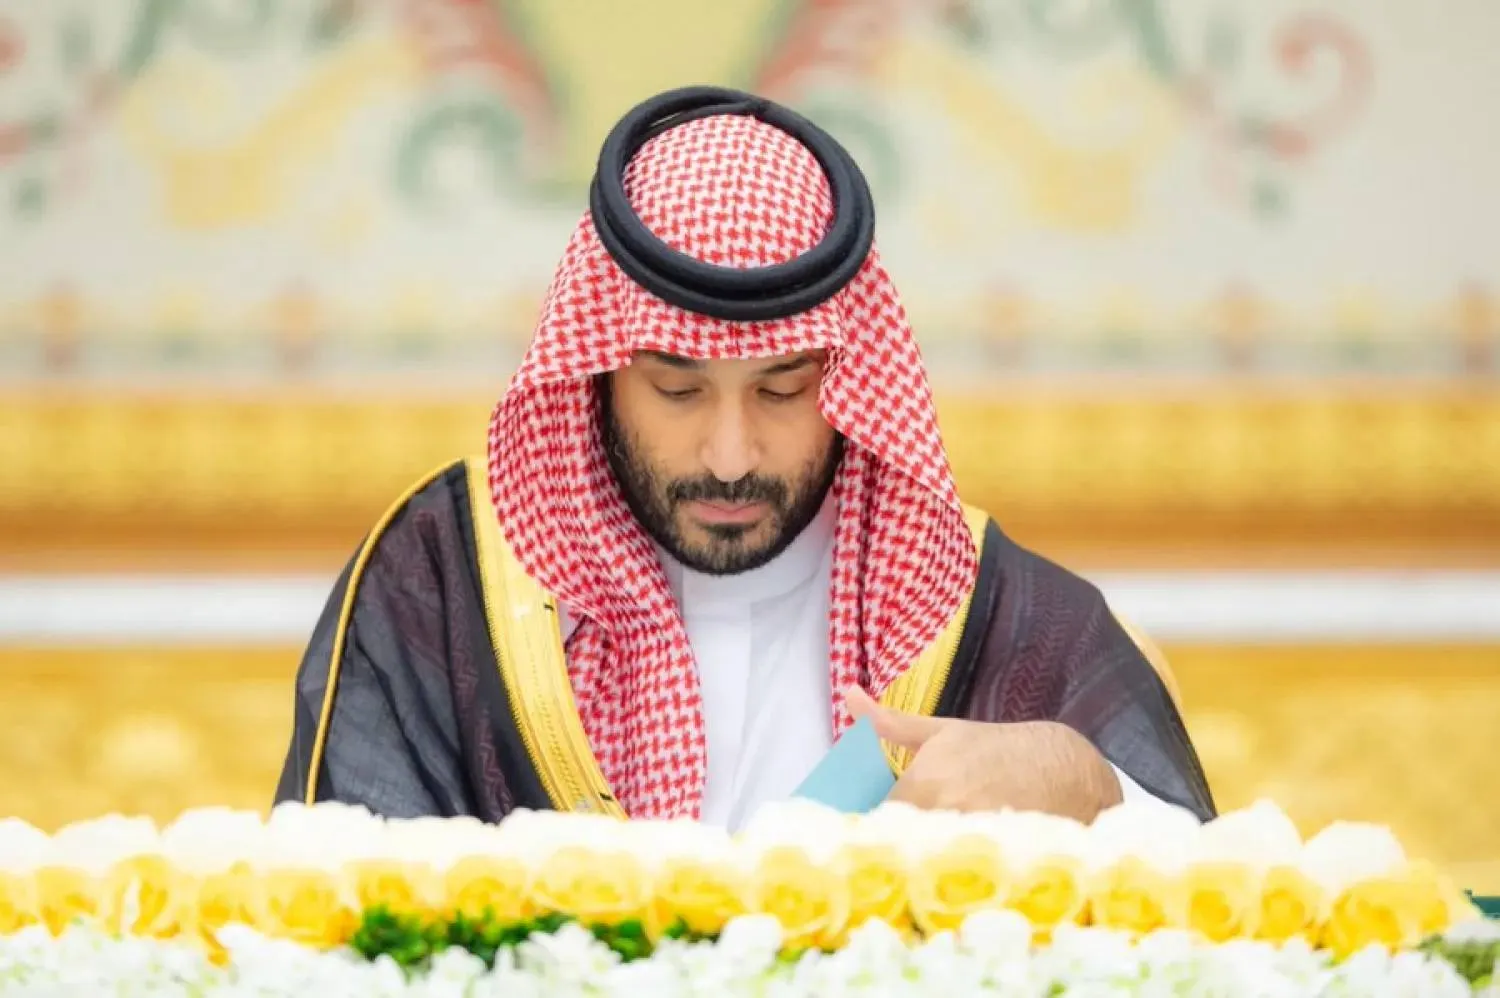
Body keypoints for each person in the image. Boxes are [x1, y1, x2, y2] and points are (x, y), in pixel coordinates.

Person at [275, 86, 1214, 829]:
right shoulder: (439, 582)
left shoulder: (985, 609)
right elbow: (328, 908)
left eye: (783, 389)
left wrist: (1094, 793)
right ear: (598, 373)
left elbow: (1220, 909)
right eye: (677, 391)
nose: (730, 457)